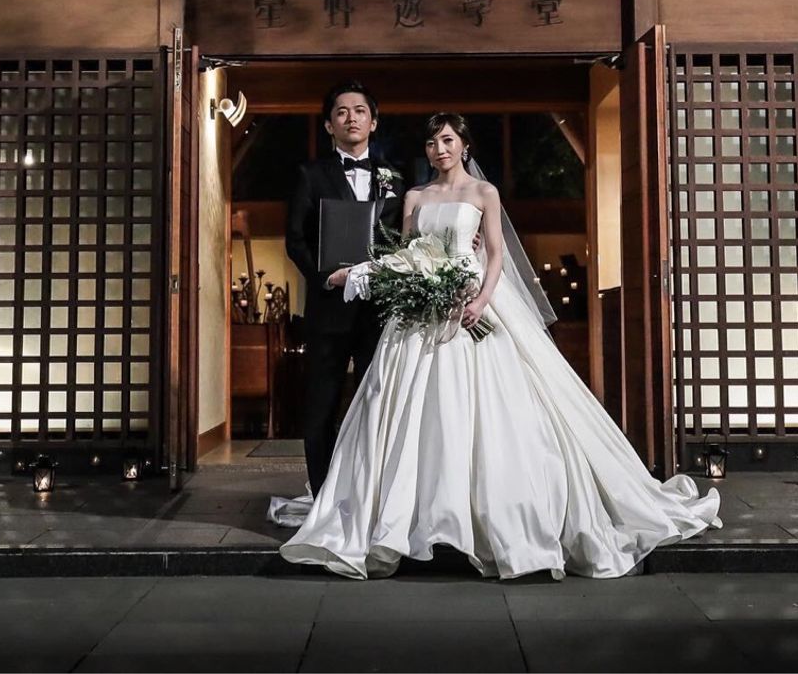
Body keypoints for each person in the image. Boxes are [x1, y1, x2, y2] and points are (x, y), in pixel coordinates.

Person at [278, 112, 722, 580]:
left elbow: (495, 254)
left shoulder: (483, 193)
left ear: (464, 145)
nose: (439, 150)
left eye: (447, 141)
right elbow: (406, 251)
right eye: (431, 143)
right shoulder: (414, 197)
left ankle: (494, 516)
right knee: (401, 409)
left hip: (475, 302)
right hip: (422, 312)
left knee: (493, 408)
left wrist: (480, 299)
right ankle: (411, 515)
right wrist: (389, 277)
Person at [282, 80, 406, 498]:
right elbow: (295, 239)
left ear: (374, 122)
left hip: (379, 313)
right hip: (328, 311)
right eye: (341, 112)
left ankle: (373, 495)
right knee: (321, 407)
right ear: (328, 125)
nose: (351, 118)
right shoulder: (310, 174)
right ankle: (324, 497)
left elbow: (408, 237)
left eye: (359, 111)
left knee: (378, 404)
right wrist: (325, 277)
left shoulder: (395, 177)